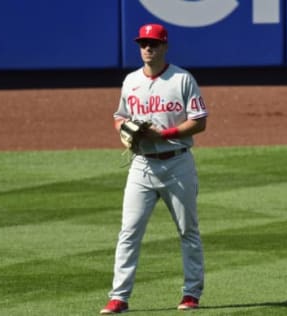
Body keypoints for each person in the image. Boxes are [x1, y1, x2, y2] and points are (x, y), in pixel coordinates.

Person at [100, 23, 208, 314]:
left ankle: (191, 294)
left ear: (165, 46)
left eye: (154, 44)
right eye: (143, 43)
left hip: (178, 162)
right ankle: (119, 298)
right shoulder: (131, 80)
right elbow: (119, 116)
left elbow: (199, 120)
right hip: (142, 166)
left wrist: (163, 135)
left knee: (187, 230)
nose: (148, 48)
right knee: (129, 232)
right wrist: (126, 130)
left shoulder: (182, 79)